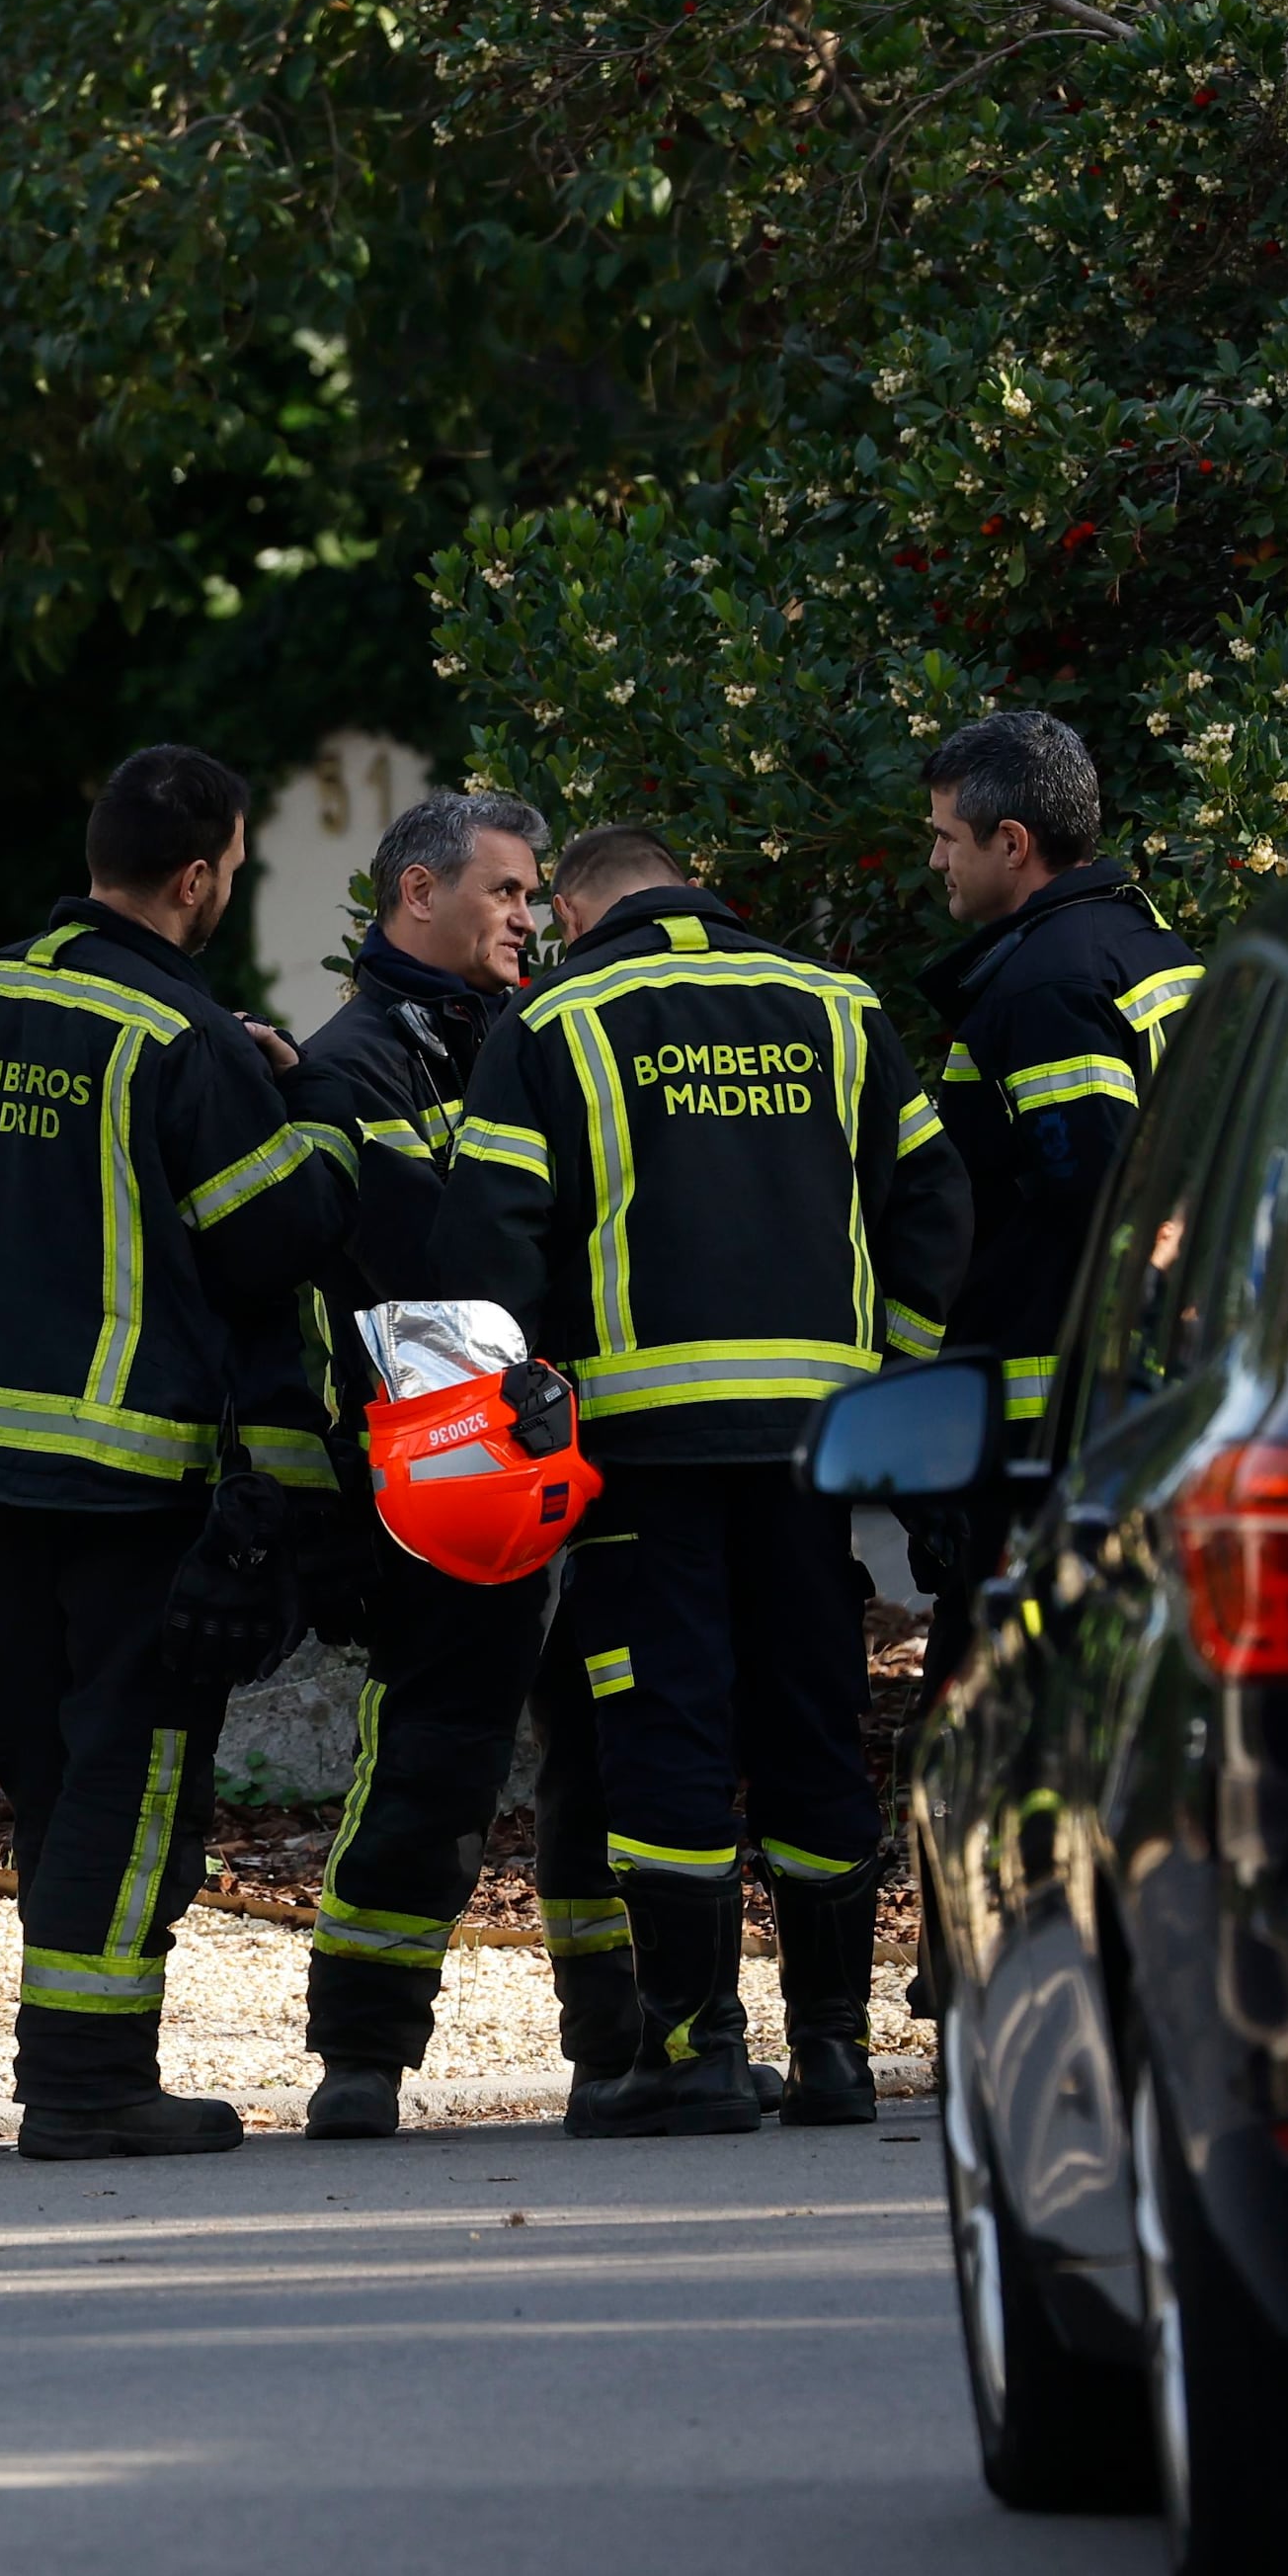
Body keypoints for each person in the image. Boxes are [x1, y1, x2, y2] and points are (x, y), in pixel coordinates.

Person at [430, 823, 969, 2134]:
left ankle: (697, 2050)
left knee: (666, 1737)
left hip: (641, 1457)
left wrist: (515, 1419)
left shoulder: (556, 1023)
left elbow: (489, 1242)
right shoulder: (837, 1009)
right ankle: (836, 2050)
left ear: (575, 908)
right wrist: (885, 1383)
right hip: (813, 1450)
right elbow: (936, 1208)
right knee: (811, 1724)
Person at [0, 744, 351, 2160]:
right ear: (198, 878)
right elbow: (279, 1242)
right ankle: (85, 2080)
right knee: (134, 1769)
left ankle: (64, 2063)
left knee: (46, 1757)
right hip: (131, 1467)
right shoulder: (178, 1038)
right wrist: (311, 1112)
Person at [276, 789, 596, 2137]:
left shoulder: (508, 1039)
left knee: (605, 1758)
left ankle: (627, 2040)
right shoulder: (363, 1062)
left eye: (535, 897)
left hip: (553, 1459)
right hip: (444, 1485)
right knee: (435, 1762)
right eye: (508, 892)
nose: (530, 917)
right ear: (418, 891)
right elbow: (425, 1268)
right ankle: (362, 2052)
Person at [916, 709, 1202, 1454]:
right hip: (1152, 1383)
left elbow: (1096, 1192)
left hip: (1062, 1414)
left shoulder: (1043, 988)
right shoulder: (1148, 941)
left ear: (1011, 844)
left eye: (946, 836)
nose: (935, 860)